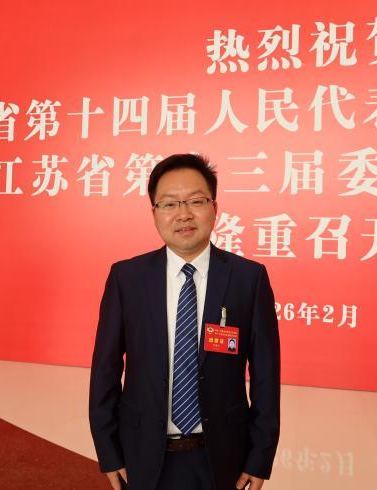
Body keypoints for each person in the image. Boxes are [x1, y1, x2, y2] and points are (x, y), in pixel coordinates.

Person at [89, 154, 280, 490]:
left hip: (224, 455)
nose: (183, 214)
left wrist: (259, 457)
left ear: (214, 207)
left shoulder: (248, 279)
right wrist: (108, 451)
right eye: (169, 204)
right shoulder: (127, 278)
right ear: (154, 212)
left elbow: (266, 375)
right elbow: (105, 369)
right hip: (142, 452)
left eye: (195, 201)